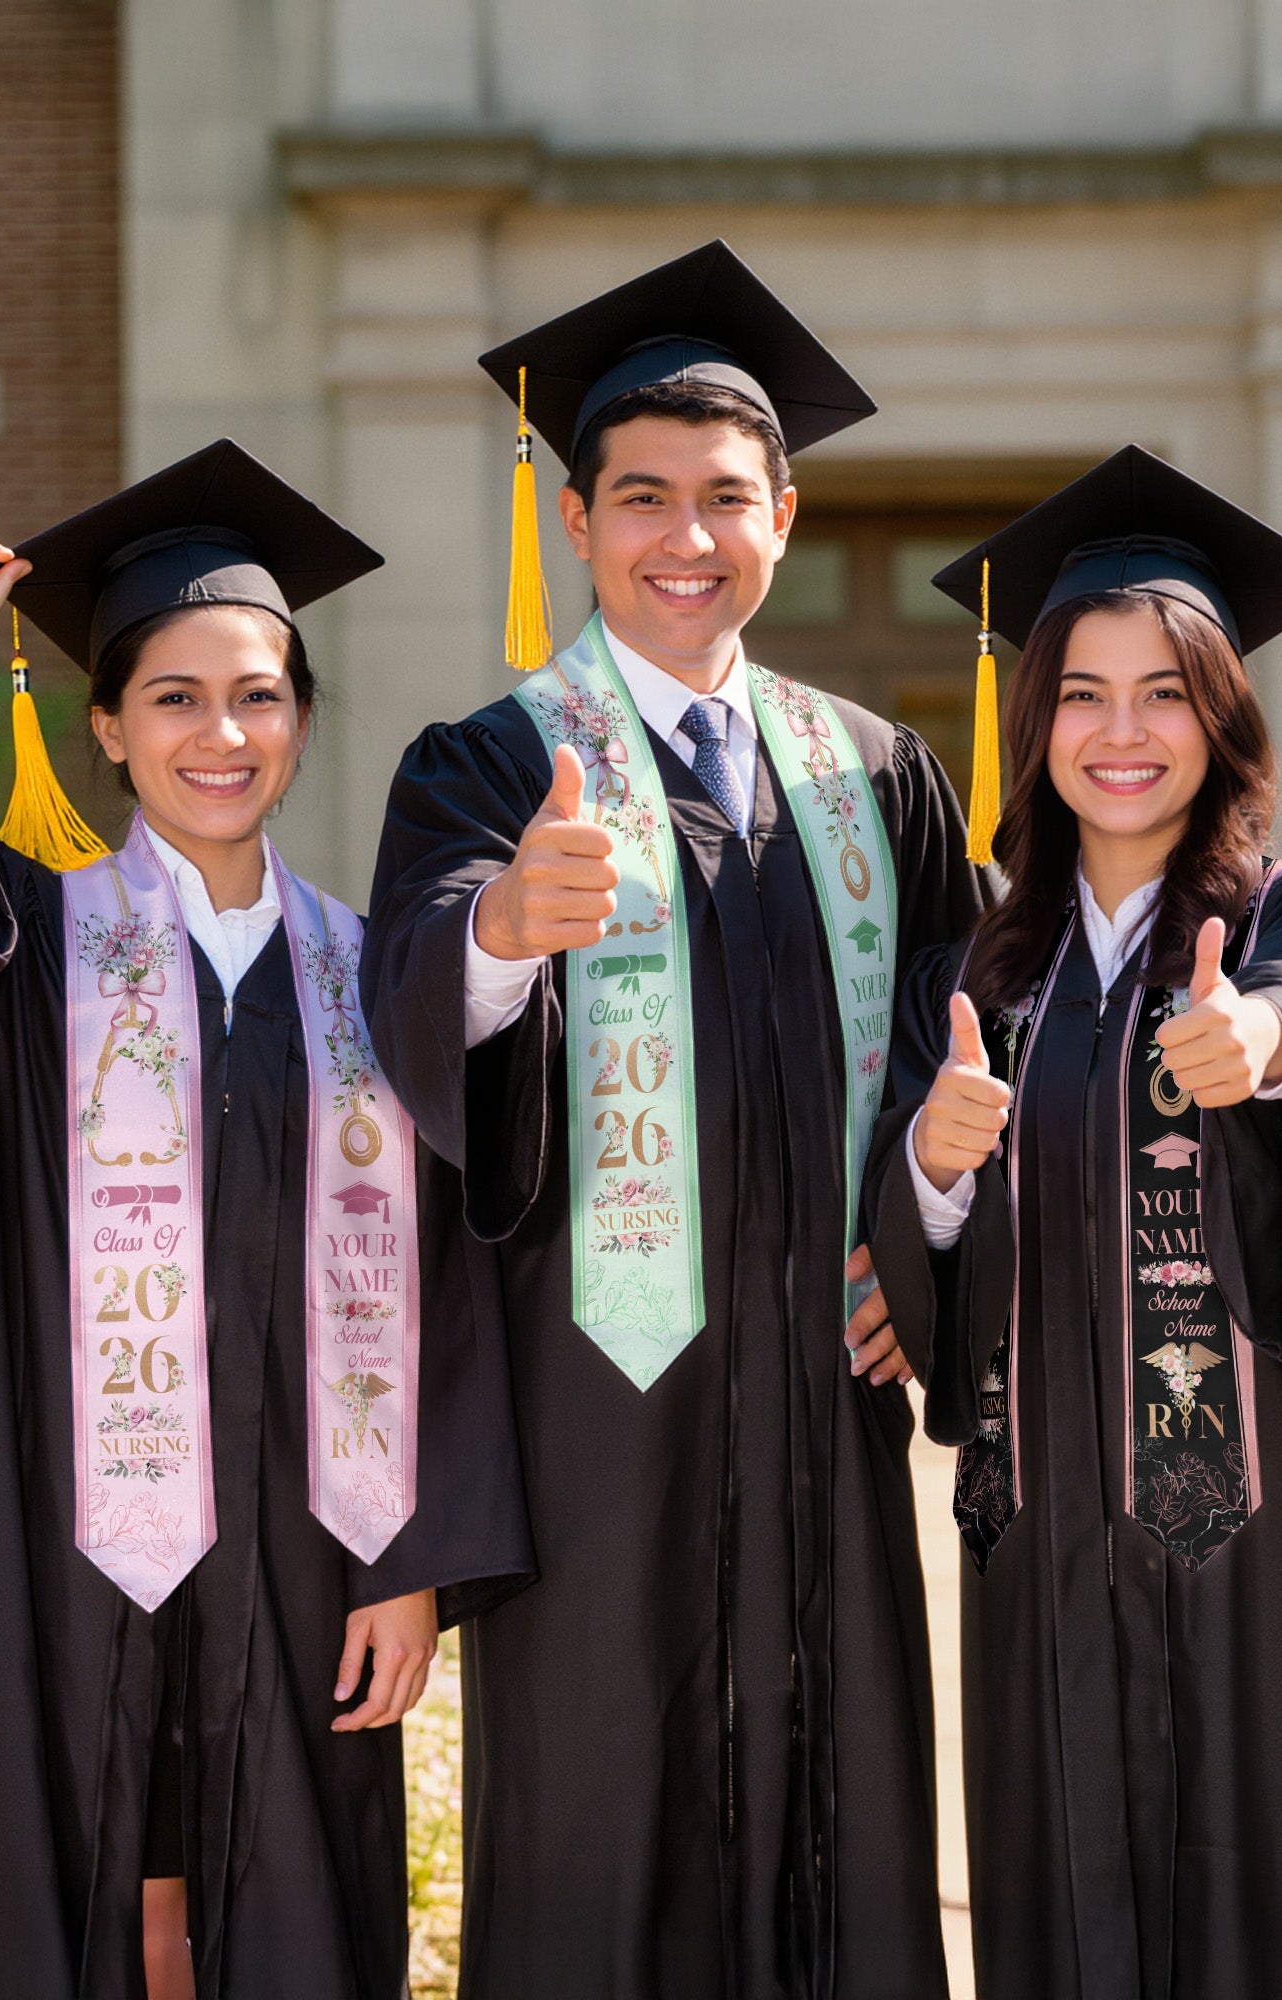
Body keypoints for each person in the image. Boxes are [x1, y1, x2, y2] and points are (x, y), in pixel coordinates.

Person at [362, 241, 987, 1998]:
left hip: (823, 1402)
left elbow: (977, 1042)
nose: (685, 538)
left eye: (727, 498)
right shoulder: (487, 764)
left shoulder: (876, 774)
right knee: (601, 1837)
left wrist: (924, 1246)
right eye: (643, 498)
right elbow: (407, 997)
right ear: (577, 521)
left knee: (842, 1820)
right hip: (597, 1419)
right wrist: (498, 932)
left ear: (784, 515)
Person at [0, 440, 532, 2000]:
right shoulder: (21, 954)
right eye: (172, 696)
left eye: (258, 694)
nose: (219, 733)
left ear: (301, 720)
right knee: (65, 1866)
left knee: (291, 1897)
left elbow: (450, 1277)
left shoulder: (375, 977)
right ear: (105, 726)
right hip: (59, 1534)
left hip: (311, 1549)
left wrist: (412, 1559)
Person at [864, 446, 1282, 1999]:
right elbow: (920, 1259)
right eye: (1083, 694)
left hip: (1273, 1542)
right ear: (1034, 720)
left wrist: (1264, 1048)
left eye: (1167, 692)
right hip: (1046, 1531)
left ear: (1224, 717)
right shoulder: (971, 979)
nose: (1124, 734)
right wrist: (930, 1160)